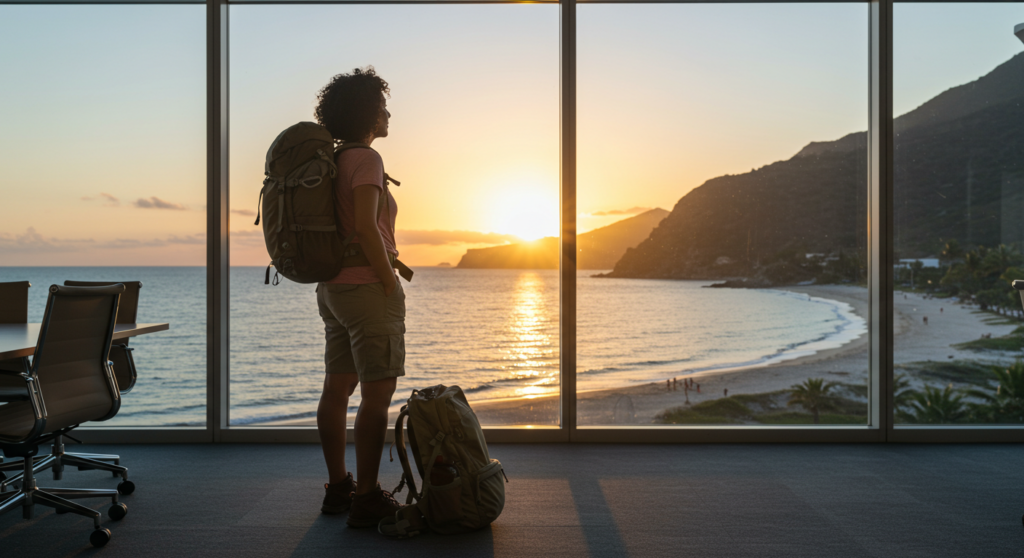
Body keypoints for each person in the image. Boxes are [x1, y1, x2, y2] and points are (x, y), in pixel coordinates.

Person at [312, 67, 405, 527]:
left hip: (331, 289)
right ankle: (366, 499)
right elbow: (367, 228)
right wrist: (388, 280)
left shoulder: (330, 160)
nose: (388, 113)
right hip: (367, 287)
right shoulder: (367, 160)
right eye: (382, 106)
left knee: (336, 390)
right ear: (368, 113)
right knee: (376, 396)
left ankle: (339, 488)